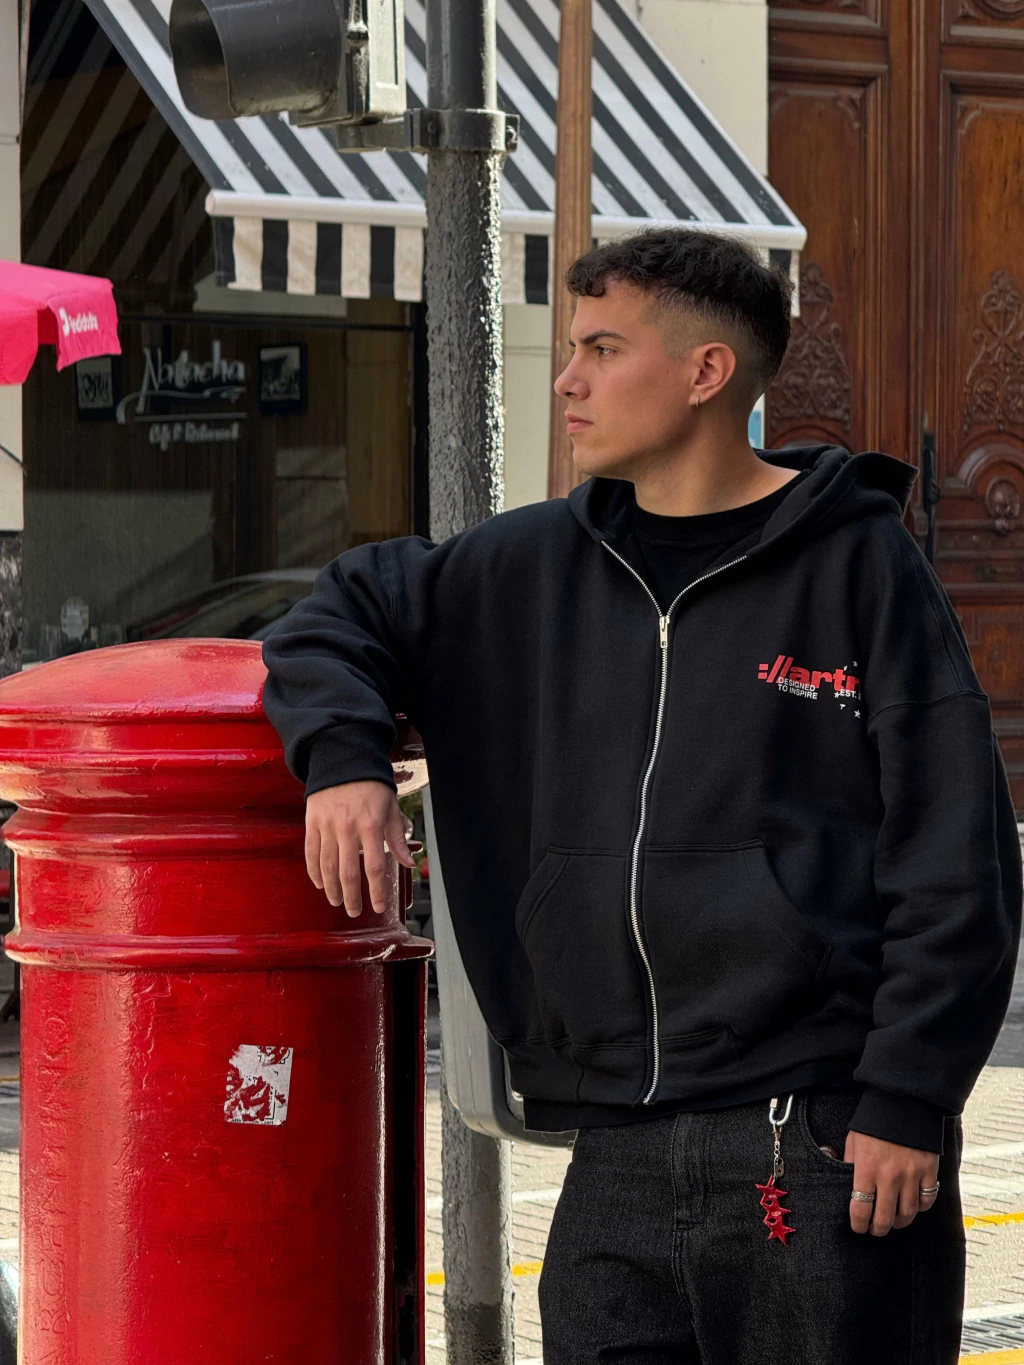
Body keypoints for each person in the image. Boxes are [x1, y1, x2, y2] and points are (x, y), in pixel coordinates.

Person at [261, 229, 1022, 1364]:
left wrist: (909, 1096)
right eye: (571, 348)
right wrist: (343, 761)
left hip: (816, 1143)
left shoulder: (861, 569)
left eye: (602, 349)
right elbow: (338, 611)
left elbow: (954, 849)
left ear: (706, 372)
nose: (567, 379)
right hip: (611, 1148)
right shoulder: (529, 566)